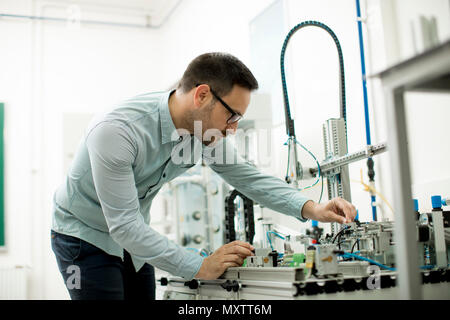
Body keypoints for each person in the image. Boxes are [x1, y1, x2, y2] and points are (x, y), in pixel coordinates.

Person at [51, 52, 357, 300]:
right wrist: (200, 265)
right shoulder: (117, 132)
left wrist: (312, 208)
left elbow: (247, 177)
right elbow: (124, 225)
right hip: (83, 235)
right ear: (201, 96)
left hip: (132, 241)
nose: (233, 128)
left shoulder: (203, 132)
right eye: (232, 116)